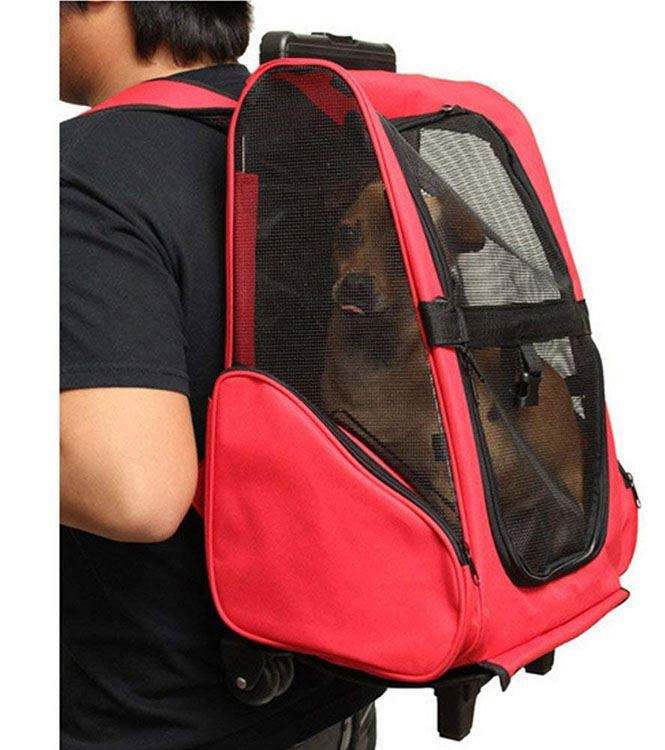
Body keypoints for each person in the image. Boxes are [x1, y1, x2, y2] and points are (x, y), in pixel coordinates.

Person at [59, 3, 381, 748]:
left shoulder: (85, 170)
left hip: (151, 717)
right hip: (329, 694)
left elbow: (135, 492)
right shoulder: (318, 136)